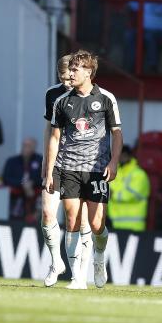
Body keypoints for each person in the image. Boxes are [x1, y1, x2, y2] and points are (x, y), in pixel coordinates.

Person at [45, 50, 123, 289]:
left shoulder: (107, 98)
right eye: (70, 69)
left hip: (97, 168)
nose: (70, 74)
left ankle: (99, 257)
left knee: (97, 224)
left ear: (88, 72)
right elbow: (54, 138)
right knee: (73, 221)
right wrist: (49, 171)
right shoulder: (62, 101)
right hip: (68, 167)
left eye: (75, 69)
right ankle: (77, 277)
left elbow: (116, 133)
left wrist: (114, 161)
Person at [40, 54, 93, 288]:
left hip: (80, 164)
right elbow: (49, 131)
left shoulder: (91, 96)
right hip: (57, 162)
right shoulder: (53, 95)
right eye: (63, 78)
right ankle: (55, 262)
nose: (68, 81)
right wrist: (46, 162)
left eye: (70, 76)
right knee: (47, 213)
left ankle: (80, 273)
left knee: (80, 222)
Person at [108, 145, 150, 231]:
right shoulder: (114, 172)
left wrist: (112, 194)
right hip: (112, 223)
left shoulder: (139, 174)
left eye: (123, 155)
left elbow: (133, 194)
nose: (121, 158)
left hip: (133, 226)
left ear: (129, 156)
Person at [2, 137, 42, 223]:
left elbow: (45, 178)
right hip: (16, 194)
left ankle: (36, 216)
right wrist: (22, 183)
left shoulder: (40, 160)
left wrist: (32, 182)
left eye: (29, 146)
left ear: (34, 147)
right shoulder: (12, 161)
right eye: (24, 145)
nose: (26, 148)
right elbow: (6, 178)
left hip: (36, 192)